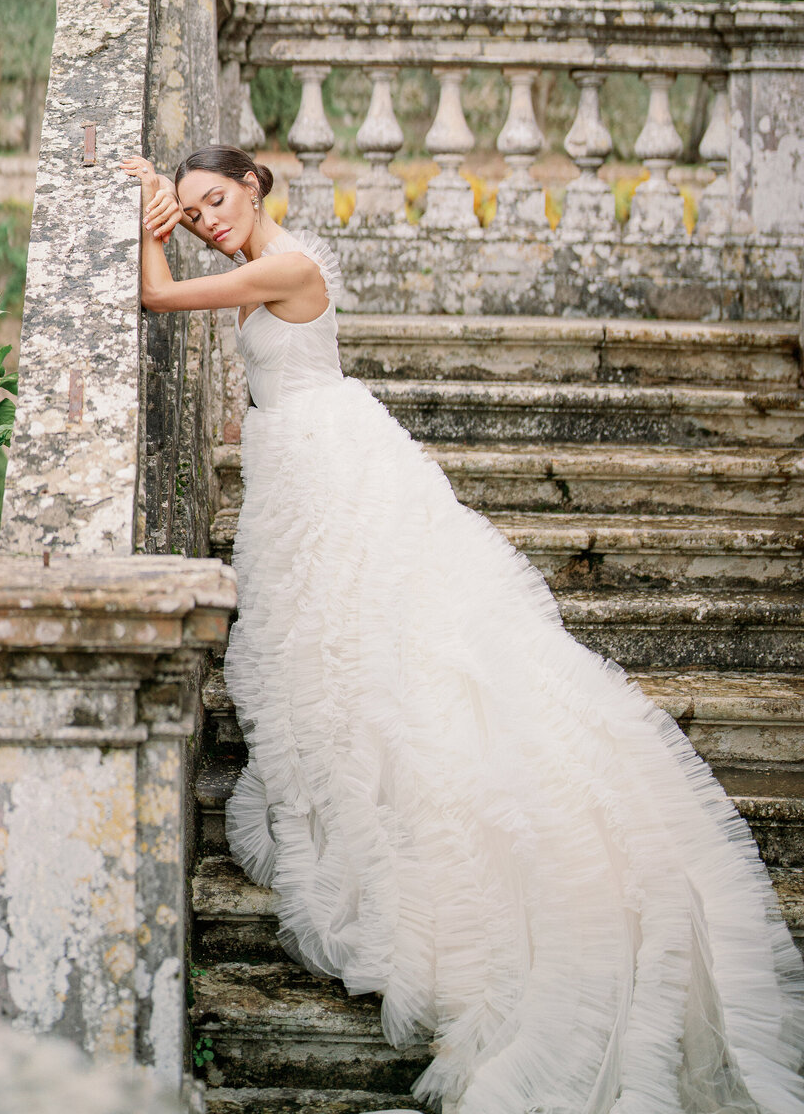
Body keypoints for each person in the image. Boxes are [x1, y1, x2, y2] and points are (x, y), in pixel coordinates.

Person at [120, 143, 804, 1114]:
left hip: (336, 464)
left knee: (383, 641)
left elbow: (159, 299)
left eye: (216, 201)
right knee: (327, 641)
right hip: (307, 461)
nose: (206, 222)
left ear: (258, 184)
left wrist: (151, 226)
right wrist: (164, 195)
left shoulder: (289, 262)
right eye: (193, 215)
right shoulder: (263, 257)